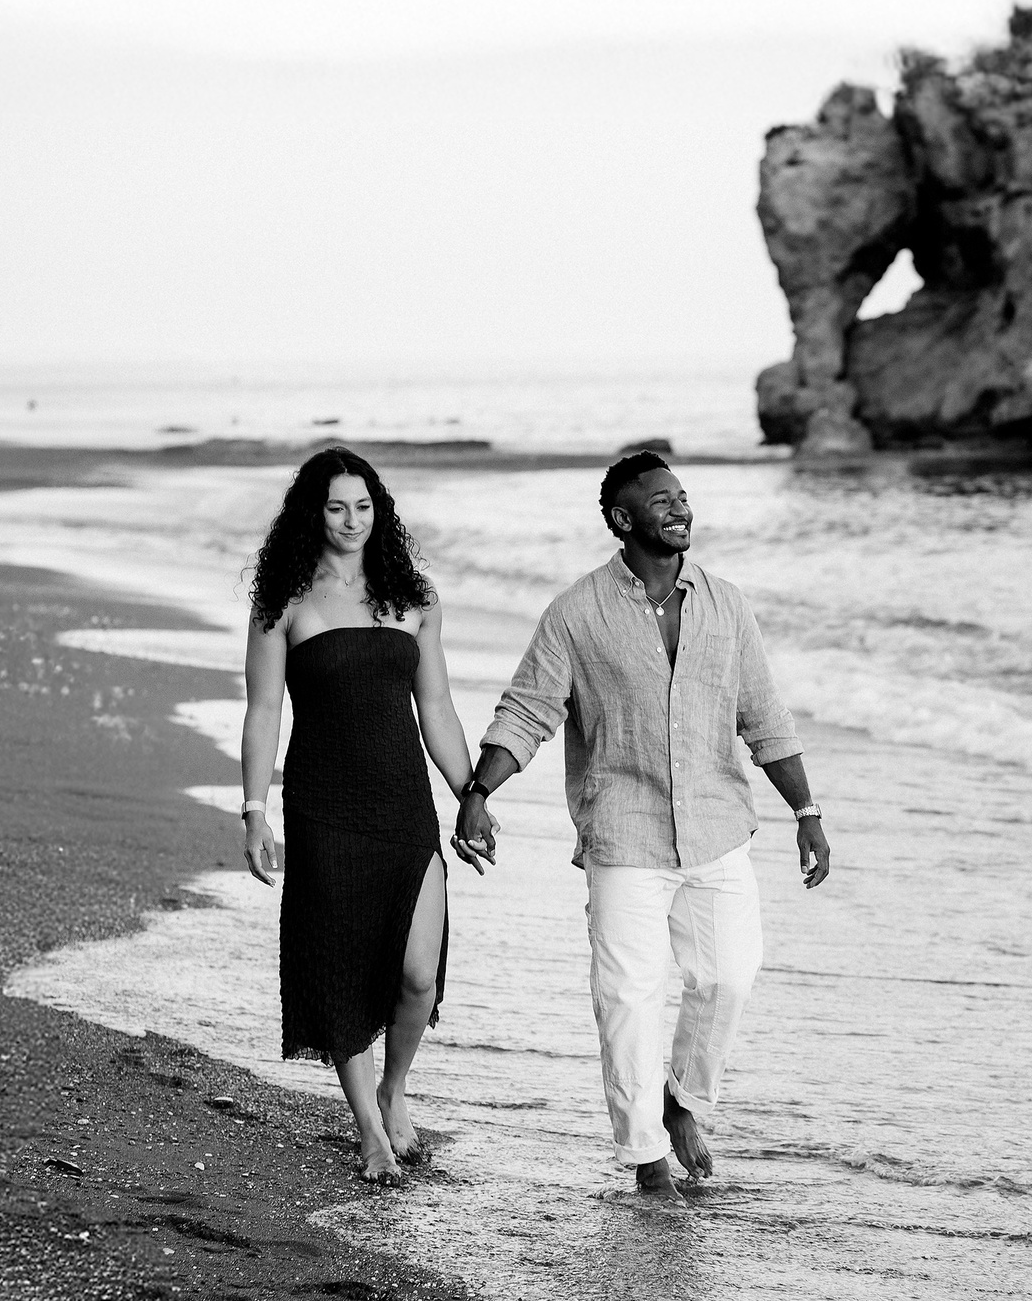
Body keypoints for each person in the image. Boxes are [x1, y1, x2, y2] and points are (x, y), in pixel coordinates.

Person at [454, 451, 831, 1200]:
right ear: (623, 520)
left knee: (729, 975)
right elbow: (527, 710)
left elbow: (765, 716)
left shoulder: (727, 606)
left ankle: (682, 1099)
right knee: (627, 995)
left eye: (683, 496)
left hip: (718, 828)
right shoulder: (576, 613)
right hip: (624, 835)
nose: (680, 508)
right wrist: (477, 792)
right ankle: (647, 1159)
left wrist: (807, 811)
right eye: (662, 500)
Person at [239, 446, 490, 1185]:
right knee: (340, 966)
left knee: (419, 976)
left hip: (403, 805)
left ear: (378, 510)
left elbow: (437, 707)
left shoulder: (412, 598)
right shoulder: (283, 603)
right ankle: (369, 1129)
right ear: (311, 514)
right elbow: (261, 714)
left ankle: (394, 1085)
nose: (351, 520)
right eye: (335, 507)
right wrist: (254, 812)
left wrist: (470, 793)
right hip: (322, 806)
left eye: (363, 506)